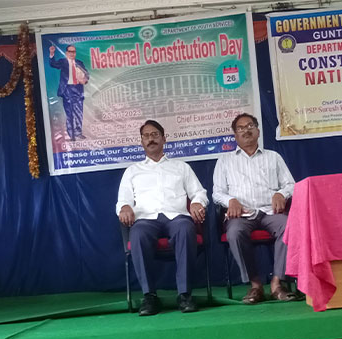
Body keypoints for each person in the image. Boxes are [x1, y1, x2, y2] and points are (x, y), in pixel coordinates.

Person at [116, 120, 208, 316]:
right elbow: (123, 200)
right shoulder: (133, 171)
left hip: (177, 217)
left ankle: (184, 294)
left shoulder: (181, 167)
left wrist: (197, 203)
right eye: (146, 136)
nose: (151, 139)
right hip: (145, 219)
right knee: (137, 234)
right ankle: (149, 297)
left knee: (186, 229)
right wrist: (124, 207)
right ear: (141, 142)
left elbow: (199, 192)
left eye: (155, 135)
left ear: (164, 139)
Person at [213, 113, 296, 304]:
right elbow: (217, 193)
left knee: (289, 226)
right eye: (241, 128)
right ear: (235, 135)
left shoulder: (273, 157)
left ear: (258, 131)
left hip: (270, 211)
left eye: (250, 126)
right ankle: (255, 285)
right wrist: (230, 200)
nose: (246, 131)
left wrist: (281, 194)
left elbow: (291, 185)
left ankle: (277, 283)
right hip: (241, 214)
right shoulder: (225, 160)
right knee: (234, 233)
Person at [49, 44, 88, 141]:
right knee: (69, 113)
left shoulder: (79, 63)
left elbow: (86, 75)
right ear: (66, 53)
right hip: (67, 90)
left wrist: (84, 80)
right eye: (70, 51)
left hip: (78, 90)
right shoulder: (63, 62)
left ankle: (78, 133)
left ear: (75, 53)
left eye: (73, 52)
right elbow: (53, 64)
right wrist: (52, 53)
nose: (72, 53)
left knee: (79, 113)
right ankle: (71, 135)